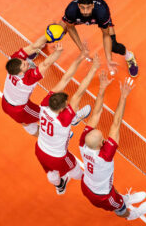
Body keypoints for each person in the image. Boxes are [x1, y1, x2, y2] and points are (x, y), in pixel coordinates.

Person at [79, 76, 146, 220]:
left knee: (109, 183)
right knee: (119, 207)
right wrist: (124, 96)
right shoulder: (105, 156)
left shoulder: (83, 142)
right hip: (101, 196)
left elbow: (96, 114)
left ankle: (124, 198)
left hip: (88, 184)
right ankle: (131, 215)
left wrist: (102, 88)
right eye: (102, 139)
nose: (105, 139)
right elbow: (116, 123)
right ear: (101, 144)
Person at [35, 52, 100, 195]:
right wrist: (94, 69)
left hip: (39, 150)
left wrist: (80, 56)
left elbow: (65, 80)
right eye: (66, 105)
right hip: (58, 157)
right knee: (77, 173)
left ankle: (59, 186)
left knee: (51, 173)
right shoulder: (63, 120)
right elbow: (79, 93)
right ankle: (91, 188)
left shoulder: (45, 104)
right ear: (61, 109)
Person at [60, 0, 139, 77]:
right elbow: (70, 28)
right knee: (57, 31)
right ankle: (47, 41)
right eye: (82, 8)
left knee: (113, 45)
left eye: (88, 8)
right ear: (79, 6)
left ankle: (129, 56)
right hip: (78, 19)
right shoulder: (71, 10)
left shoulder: (102, 12)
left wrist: (109, 59)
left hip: (97, 18)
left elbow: (106, 35)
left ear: (93, 6)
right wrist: (82, 49)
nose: (85, 11)